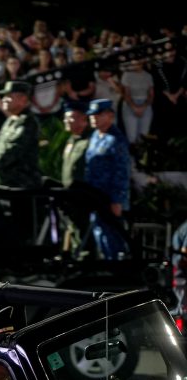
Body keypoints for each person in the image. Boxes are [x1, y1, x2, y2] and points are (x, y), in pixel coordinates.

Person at [84, 98, 131, 260]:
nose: (93, 118)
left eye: (97, 115)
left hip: (109, 197)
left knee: (112, 233)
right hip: (94, 195)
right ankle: (106, 264)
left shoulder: (116, 140)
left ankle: (118, 269)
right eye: (91, 115)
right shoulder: (95, 136)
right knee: (99, 231)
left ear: (110, 116)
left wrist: (117, 200)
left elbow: (122, 172)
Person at [60, 101, 91, 187]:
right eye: (65, 118)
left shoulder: (91, 141)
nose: (65, 121)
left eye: (69, 118)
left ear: (83, 119)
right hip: (69, 193)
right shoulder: (70, 140)